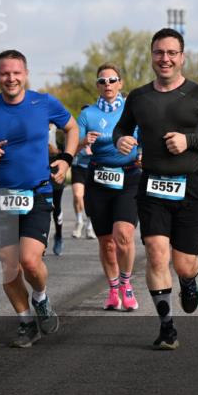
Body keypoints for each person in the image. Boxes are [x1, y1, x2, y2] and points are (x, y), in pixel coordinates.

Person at [113, 29, 198, 350]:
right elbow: (121, 128)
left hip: (190, 186)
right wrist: (121, 140)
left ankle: (189, 279)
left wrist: (188, 141)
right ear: (151, 56)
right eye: (158, 53)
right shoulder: (139, 97)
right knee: (155, 254)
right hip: (152, 186)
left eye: (171, 53)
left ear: (182, 57)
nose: (164, 59)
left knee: (183, 263)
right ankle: (167, 328)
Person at [0, 50, 78, 348]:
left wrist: (66, 159)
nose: (10, 78)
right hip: (1, 196)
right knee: (9, 265)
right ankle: (26, 321)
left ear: (25, 74)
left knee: (29, 260)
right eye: (4, 73)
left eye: (16, 72)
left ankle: (40, 298)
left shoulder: (44, 103)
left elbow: (72, 127)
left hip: (37, 193)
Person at [77, 64, 141, 311]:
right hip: (98, 178)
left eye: (112, 80)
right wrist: (84, 141)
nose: (108, 85)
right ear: (97, 85)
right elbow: (75, 145)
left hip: (128, 176)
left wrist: (142, 152)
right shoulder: (87, 114)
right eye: (103, 81)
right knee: (107, 242)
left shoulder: (132, 110)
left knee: (123, 234)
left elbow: (145, 137)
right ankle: (113, 289)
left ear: (120, 83)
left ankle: (126, 283)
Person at [70, 104, 94, 239]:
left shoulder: (98, 131)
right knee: (78, 196)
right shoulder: (76, 131)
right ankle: (79, 221)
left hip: (92, 167)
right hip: (78, 166)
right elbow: (70, 148)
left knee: (90, 199)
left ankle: (90, 225)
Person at [48, 125, 66, 256]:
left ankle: (59, 235)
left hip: (56, 172)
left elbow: (66, 152)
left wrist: (55, 151)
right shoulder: (34, 124)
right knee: (40, 208)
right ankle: (40, 241)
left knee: (56, 207)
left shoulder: (59, 131)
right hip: (38, 172)